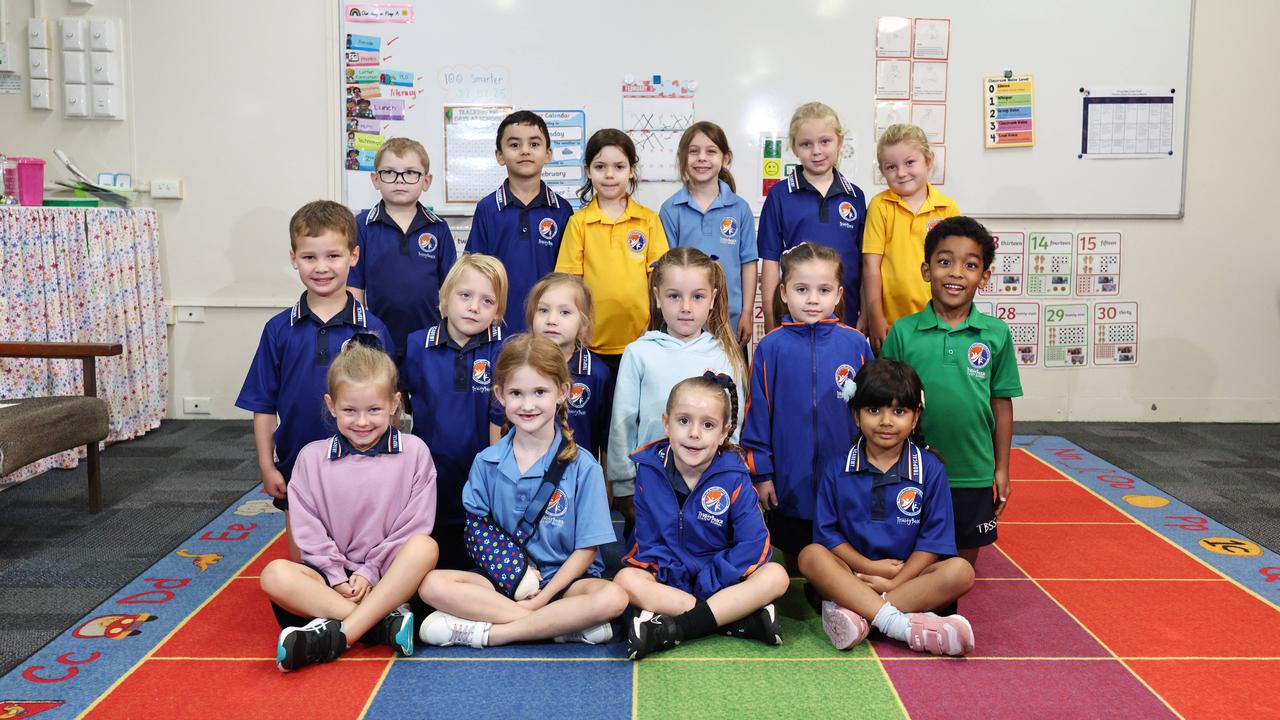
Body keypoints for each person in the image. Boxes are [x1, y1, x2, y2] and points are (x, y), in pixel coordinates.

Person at [417, 334, 628, 647]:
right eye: (516, 393)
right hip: (504, 579)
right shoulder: (486, 462)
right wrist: (524, 591)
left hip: (566, 583)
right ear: (500, 395)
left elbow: (587, 552)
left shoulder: (584, 467)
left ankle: (493, 634)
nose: (528, 405)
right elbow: (479, 535)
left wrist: (543, 598)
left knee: (612, 596)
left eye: (540, 392)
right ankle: (559, 626)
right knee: (432, 584)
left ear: (563, 392)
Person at [262, 339, 439, 671]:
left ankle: (339, 634)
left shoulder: (415, 452)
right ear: (331, 405)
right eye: (349, 411)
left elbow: (414, 526)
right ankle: (381, 625)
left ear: (394, 404)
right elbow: (307, 529)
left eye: (374, 410)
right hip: (333, 583)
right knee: (275, 575)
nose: (362, 422)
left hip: (390, 577)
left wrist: (370, 571)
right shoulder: (310, 458)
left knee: (424, 547)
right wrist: (336, 577)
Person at [236, 200, 393, 557]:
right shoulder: (278, 330)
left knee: (362, 554)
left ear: (354, 256)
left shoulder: (373, 329)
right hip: (297, 465)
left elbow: (389, 404)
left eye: (333, 256)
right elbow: (262, 405)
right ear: (293, 258)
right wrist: (266, 465)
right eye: (309, 258)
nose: (322, 268)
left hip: (362, 463)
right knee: (304, 560)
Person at [798, 358, 976, 656]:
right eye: (873, 410)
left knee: (960, 572)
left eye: (899, 411)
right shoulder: (835, 468)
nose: (886, 421)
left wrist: (896, 578)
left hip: (908, 578)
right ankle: (901, 625)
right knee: (810, 556)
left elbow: (933, 542)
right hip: (852, 574)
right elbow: (828, 535)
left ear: (915, 418)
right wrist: (868, 567)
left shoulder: (930, 470)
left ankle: (860, 615)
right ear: (856, 415)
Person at [881, 216, 1023, 568]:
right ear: (927, 270)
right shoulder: (903, 332)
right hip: (911, 469)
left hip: (972, 470)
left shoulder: (996, 334)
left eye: (970, 265)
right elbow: (884, 403)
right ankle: (902, 614)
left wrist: (1001, 467)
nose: (956, 273)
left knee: (960, 566)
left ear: (984, 277)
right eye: (945, 262)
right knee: (909, 557)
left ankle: (940, 615)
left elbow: (1001, 404)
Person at [617, 372, 789, 660]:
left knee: (776, 576)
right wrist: (681, 579)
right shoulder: (649, 470)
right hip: (672, 579)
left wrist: (711, 579)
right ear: (666, 423)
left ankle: (670, 629)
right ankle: (737, 621)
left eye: (708, 425)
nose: (694, 433)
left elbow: (754, 545)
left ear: (724, 433)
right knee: (625, 580)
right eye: (683, 421)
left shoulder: (735, 476)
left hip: (723, 578)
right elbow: (646, 542)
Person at [741, 242, 874, 566]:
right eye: (802, 289)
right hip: (788, 478)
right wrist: (763, 474)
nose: (813, 299)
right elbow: (758, 414)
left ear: (839, 294)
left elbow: (874, 408)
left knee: (841, 551)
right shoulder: (771, 348)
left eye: (823, 289)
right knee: (794, 554)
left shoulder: (855, 343)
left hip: (846, 478)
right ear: (784, 292)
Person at [609, 247, 747, 535]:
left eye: (697, 296)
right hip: (650, 486)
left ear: (712, 299)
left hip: (709, 487)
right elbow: (622, 422)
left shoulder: (725, 354)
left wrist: (725, 478)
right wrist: (624, 485)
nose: (686, 307)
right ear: (658, 297)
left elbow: (732, 427)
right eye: (674, 296)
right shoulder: (639, 352)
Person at [403, 254, 508, 570]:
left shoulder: (505, 348)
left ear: (498, 312)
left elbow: (503, 415)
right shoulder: (416, 345)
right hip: (433, 476)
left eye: (487, 301)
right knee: (434, 558)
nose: (474, 307)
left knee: (480, 562)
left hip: (484, 476)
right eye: (465, 296)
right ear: (444, 298)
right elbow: (409, 405)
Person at [554, 128, 669, 387]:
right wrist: (576, 330)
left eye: (618, 166)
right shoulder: (579, 222)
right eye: (600, 166)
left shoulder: (648, 220)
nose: (609, 175)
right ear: (588, 171)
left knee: (630, 419)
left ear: (631, 170)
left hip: (641, 342)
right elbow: (570, 284)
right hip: (589, 346)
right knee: (596, 421)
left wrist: (653, 325)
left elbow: (660, 281)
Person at [350, 137, 457, 373]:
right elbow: (354, 287)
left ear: (426, 181)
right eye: (389, 173)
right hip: (377, 340)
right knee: (383, 404)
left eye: (410, 173)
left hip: (429, 339)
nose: (400, 181)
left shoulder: (438, 228)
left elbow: (451, 290)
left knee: (426, 405)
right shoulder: (362, 226)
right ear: (375, 179)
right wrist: (361, 333)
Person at [759, 101, 867, 331]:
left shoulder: (856, 196)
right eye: (806, 144)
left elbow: (865, 263)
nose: (816, 151)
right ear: (794, 148)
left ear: (840, 141)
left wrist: (865, 314)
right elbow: (769, 263)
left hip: (844, 319)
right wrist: (770, 321)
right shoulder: (780, 195)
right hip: (793, 319)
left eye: (825, 141)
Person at [466, 111, 575, 333]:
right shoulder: (487, 208)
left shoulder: (562, 210)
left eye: (534, 144)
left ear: (548, 154)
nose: (525, 150)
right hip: (497, 326)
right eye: (514, 145)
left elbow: (568, 278)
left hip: (549, 327)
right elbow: (474, 272)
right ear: (500, 155)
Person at [659, 122, 758, 349]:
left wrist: (747, 312)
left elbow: (748, 263)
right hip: (685, 319)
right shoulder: (670, 209)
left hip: (730, 319)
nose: (702, 158)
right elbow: (667, 269)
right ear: (682, 158)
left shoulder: (739, 208)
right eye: (693, 151)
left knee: (729, 381)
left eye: (711, 151)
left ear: (725, 158)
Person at [862, 123, 960, 352]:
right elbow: (871, 266)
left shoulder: (948, 209)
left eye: (909, 162)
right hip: (890, 325)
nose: (901, 173)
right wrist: (875, 317)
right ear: (883, 171)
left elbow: (955, 268)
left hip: (936, 323)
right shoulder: (880, 206)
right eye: (891, 167)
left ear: (928, 160)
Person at [525, 272, 610, 458]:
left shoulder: (598, 374)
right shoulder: (520, 365)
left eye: (565, 312)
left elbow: (605, 443)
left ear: (583, 322)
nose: (552, 320)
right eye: (543, 310)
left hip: (579, 479)